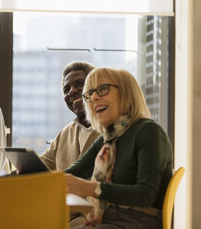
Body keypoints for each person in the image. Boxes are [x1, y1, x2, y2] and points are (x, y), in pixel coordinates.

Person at [65, 67, 173, 229]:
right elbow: (72, 173)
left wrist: (89, 188)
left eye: (102, 89)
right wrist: (30, 176)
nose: (94, 97)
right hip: (107, 222)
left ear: (126, 93)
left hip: (138, 223)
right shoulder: (107, 139)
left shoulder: (149, 132)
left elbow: (145, 195)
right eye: (89, 94)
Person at [40, 61, 101, 171]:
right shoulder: (64, 134)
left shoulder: (112, 129)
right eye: (66, 90)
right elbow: (40, 165)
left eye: (79, 84)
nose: (71, 92)